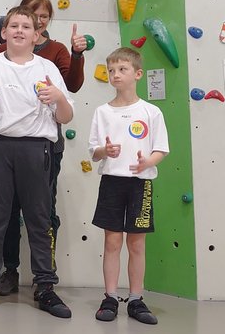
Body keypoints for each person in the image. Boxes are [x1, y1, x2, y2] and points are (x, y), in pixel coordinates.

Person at [0, 6, 74, 318]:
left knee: (39, 219)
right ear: (4, 32)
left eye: (27, 26)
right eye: (14, 26)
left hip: (36, 148)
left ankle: (46, 287)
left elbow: (65, 116)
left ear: (37, 35)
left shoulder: (47, 69)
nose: (20, 30)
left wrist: (59, 99)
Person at [0, 0, 87, 296]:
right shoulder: (2, 52)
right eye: (34, 13)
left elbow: (70, 86)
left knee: (44, 211)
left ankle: (46, 277)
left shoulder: (57, 50)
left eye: (44, 15)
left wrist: (76, 55)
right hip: (6, 146)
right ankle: (9, 271)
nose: (39, 19)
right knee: (7, 212)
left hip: (46, 145)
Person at [88, 47, 167, 325]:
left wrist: (147, 162)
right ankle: (110, 296)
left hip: (140, 184)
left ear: (138, 74)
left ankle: (136, 299)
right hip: (111, 181)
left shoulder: (151, 111)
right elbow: (94, 151)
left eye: (122, 69)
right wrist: (104, 151)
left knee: (136, 243)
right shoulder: (102, 111)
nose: (115, 75)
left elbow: (161, 149)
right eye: (111, 70)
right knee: (111, 241)